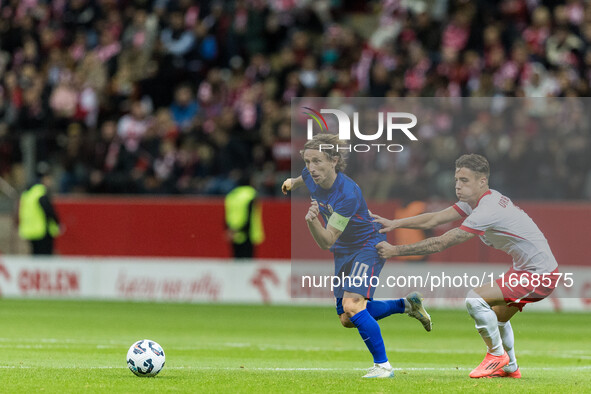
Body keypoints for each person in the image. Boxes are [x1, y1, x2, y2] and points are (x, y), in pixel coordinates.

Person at [373, 154, 559, 379]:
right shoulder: (477, 202)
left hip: (540, 275)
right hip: (525, 270)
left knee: (475, 299)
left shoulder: (487, 209)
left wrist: (395, 250)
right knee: (498, 317)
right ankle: (510, 367)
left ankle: (496, 356)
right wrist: (395, 223)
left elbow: (442, 242)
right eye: (456, 180)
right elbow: (434, 219)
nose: (457, 186)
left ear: (482, 182)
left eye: (464, 180)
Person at [282, 133, 432, 379]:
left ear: (334, 160)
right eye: (307, 161)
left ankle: (383, 367)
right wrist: (292, 181)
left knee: (352, 305)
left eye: (318, 161)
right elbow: (303, 178)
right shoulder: (311, 176)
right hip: (344, 250)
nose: (311, 168)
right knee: (347, 318)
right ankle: (407, 305)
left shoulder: (347, 194)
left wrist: (312, 222)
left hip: (367, 246)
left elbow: (326, 240)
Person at [18, 163, 61, 255]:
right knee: (44, 260)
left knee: (35, 257)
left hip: (30, 231)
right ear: (45, 178)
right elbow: (48, 210)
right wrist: (57, 222)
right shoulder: (40, 192)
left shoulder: (27, 193)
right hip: (42, 231)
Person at [225, 174, 265, 259]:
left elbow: (228, 214)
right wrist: (241, 229)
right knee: (247, 264)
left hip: (234, 234)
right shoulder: (251, 194)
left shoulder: (232, 195)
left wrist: (229, 230)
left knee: (237, 261)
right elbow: (249, 216)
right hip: (248, 234)